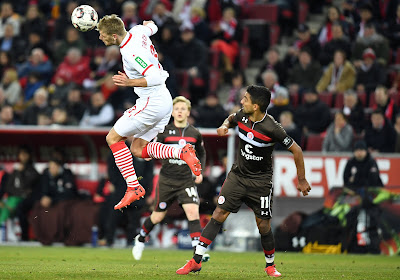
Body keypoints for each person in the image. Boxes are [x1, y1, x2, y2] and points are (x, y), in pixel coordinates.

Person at [176, 85, 311, 277]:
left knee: (263, 225)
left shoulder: (273, 128)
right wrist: (224, 127)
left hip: (261, 182)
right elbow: (231, 119)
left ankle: (270, 266)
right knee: (219, 213)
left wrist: (302, 179)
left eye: (245, 99)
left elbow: (296, 150)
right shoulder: (242, 115)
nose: (241, 102)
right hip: (237, 176)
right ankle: (196, 261)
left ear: (255, 106)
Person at [96, 15, 201, 210]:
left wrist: (129, 82)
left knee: (113, 138)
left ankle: (134, 187)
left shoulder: (130, 51)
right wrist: (148, 25)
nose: (100, 38)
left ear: (113, 35)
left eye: (102, 35)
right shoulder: (137, 30)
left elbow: (154, 77)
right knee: (137, 149)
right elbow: (152, 27)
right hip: (163, 100)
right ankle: (181, 151)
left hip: (152, 101)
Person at [132, 96, 206, 260]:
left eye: (183, 109)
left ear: (188, 111)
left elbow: (201, 153)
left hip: (186, 180)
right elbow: (154, 147)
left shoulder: (195, 133)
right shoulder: (164, 131)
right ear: (172, 112)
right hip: (166, 181)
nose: (179, 111)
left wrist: (200, 172)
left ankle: (198, 254)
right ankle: (141, 238)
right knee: (157, 216)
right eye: (176, 109)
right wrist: (148, 154)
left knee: (193, 212)